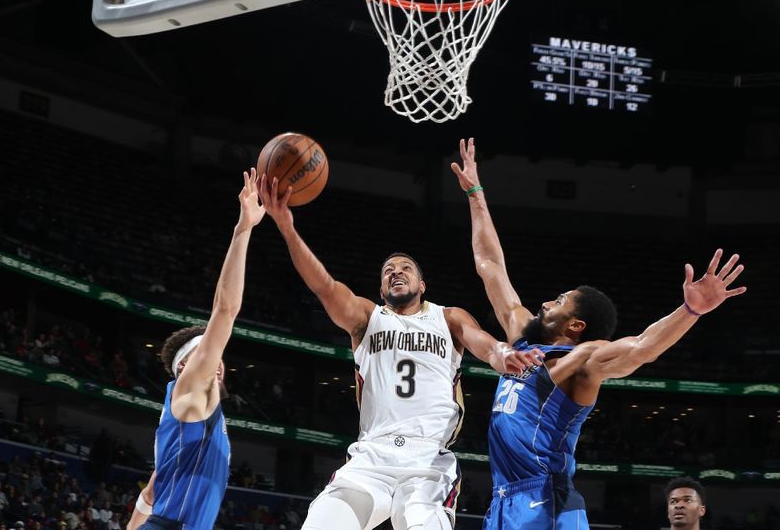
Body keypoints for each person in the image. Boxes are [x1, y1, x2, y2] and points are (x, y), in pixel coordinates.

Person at [450, 138, 746, 530]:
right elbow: (490, 264)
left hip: (547, 499)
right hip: (504, 498)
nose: (547, 302)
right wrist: (475, 193)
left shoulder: (583, 360)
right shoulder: (521, 336)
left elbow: (641, 348)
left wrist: (690, 310)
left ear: (576, 325)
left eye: (560, 299)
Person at [257, 175, 542, 530]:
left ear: (422, 285)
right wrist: (287, 228)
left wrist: (503, 355)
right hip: (371, 456)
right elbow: (324, 286)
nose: (396, 272)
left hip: (428, 460)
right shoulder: (366, 318)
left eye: (405, 268)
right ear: (380, 287)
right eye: (388, 270)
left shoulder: (448, 317)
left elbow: (484, 342)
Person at [126, 170, 265, 530]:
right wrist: (243, 230)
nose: (218, 359)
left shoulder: (190, 418)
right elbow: (225, 310)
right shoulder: (191, 386)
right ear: (187, 363)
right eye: (209, 351)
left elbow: (152, 492)